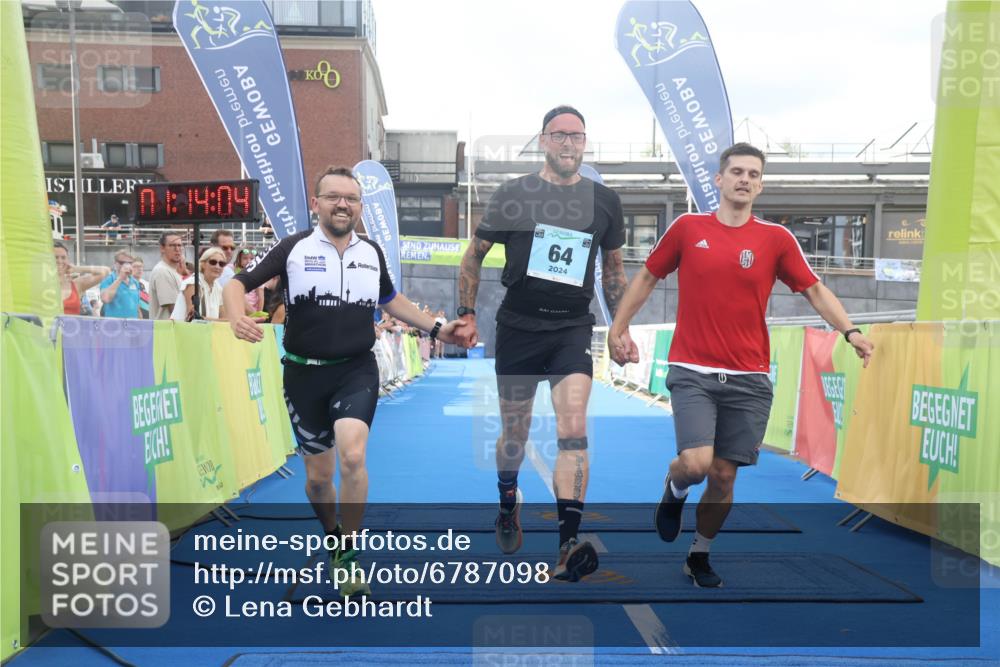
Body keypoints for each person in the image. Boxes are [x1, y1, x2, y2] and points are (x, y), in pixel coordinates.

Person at [608, 142, 876, 588]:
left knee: (723, 476)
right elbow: (648, 276)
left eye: (753, 174)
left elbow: (814, 290)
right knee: (695, 465)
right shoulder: (688, 228)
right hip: (692, 368)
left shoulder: (776, 239)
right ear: (719, 179)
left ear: (761, 184)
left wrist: (851, 332)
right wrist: (620, 327)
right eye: (736, 172)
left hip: (749, 376)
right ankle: (673, 490)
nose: (745, 179)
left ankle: (699, 554)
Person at [224, 166, 471, 597]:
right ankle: (333, 537)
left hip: (356, 369)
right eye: (334, 197)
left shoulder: (371, 251)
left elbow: (391, 300)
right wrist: (235, 315)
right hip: (302, 373)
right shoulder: (294, 248)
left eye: (351, 199)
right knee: (319, 478)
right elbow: (238, 283)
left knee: (353, 455)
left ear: (360, 206)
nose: (343, 204)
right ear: (316, 204)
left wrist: (436, 328)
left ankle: (349, 553)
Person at [456, 105, 628, 582]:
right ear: (544, 141)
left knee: (573, 427)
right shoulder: (513, 194)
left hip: (572, 327)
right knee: (516, 433)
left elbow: (613, 271)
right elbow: (473, 258)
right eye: (559, 135)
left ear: (585, 143)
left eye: (577, 135)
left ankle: (568, 542)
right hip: (518, 326)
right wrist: (467, 314)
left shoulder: (605, 201)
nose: (569, 143)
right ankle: (507, 497)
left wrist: (620, 327)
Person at [53, 242, 110, 315]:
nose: (59, 261)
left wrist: (77, 268)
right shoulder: (40, 284)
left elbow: (105, 271)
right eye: (55, 257)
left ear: (68, 261)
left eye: (63, 257)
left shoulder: (77, 284)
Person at [171, 247, 228, 321]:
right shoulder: (193, 283)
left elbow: (226, 318)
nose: (217, 266)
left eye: (221, 264)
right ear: (203, 264)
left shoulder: (218, 287)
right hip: (183, 331)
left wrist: (205, 319)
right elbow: (192, 318)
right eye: (213, 262)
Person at [148, 233, 186, 319]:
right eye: (172, 245)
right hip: (166, 330)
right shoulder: (162, 271)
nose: (177, 249)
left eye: (179, 245)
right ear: (162, 248)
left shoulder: (172, 271)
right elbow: (174, 309)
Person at [99, 251, 144, 319]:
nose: (126, 265)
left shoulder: (135, 282)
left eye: (129, 263)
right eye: (122, 263)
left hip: (132, 326)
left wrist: (140, 320)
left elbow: (137, 306)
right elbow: (105, 299)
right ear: (115, 264)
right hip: (114, 326)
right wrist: (120, 278)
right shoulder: (109, 280)